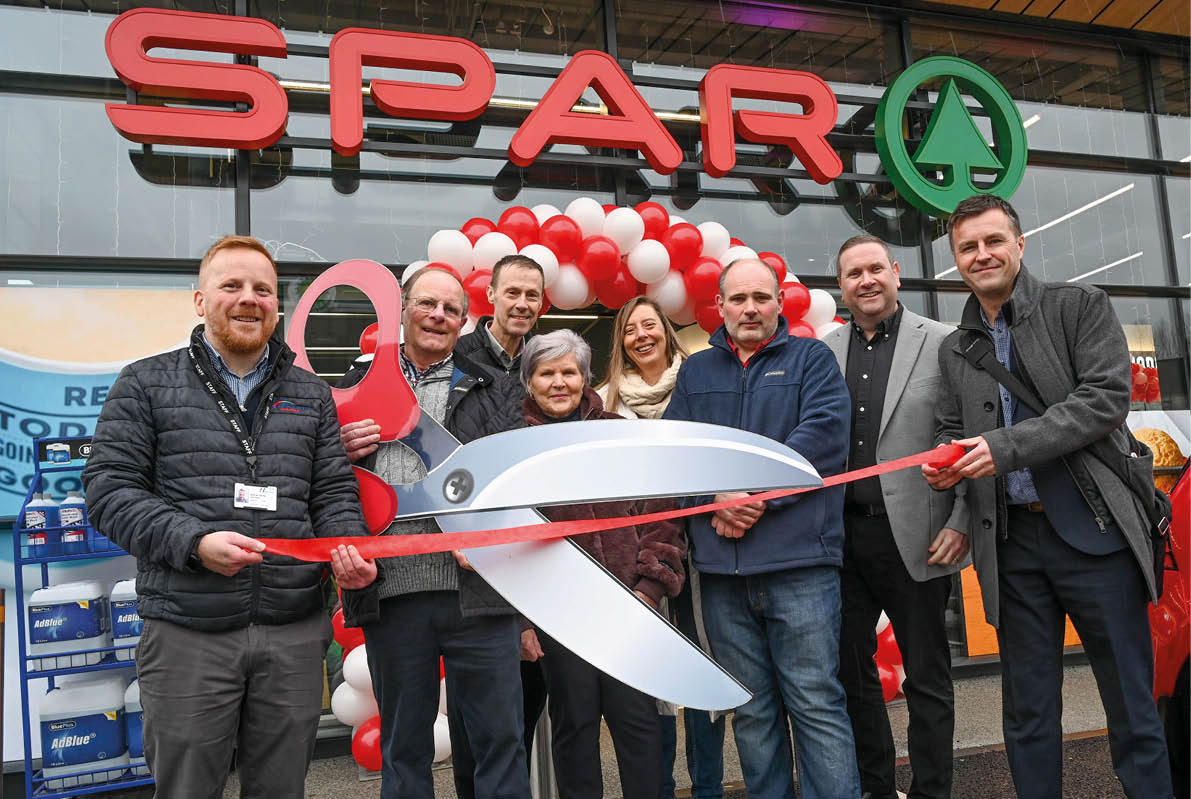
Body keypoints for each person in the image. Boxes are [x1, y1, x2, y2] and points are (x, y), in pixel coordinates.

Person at [82, 235, 378, 799]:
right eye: (232, 285)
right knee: (188, 788)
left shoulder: (311, 394)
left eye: (263, 289)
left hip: (292, 633)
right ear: (200, 300)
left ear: (276, 307)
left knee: (281, 788)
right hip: (189, 630)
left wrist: (349, 551)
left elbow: (332, 492)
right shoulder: (145, 383)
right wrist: (194, 543)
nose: (249, 299)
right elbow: (109, 490)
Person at [923, 194, 1172, 798]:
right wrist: (947, 462)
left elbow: (1104, 400)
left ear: (1019, 244)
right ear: (956, 260)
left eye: (993, 241)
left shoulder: (1079, 306)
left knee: (1131, 704)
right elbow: (951, 427)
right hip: (1010, 546)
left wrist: (1004, 447)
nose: (982, 254)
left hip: (1096, 532)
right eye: (967, 247)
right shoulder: (955, 348)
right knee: (1027, 713)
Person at [663, 258, 860, 799]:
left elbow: (823, 439)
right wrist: (713, 499)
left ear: (779, 303)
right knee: (751, 710)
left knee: (815, 703)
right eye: (738, 298)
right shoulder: (697, 373)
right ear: (719, 306)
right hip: (722, 576)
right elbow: (675, 454)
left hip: (801, 568)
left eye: (761, 297)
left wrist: (753, 499)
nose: (750, 308)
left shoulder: (812, 360)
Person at [336, 264, 530, 799]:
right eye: (427, 303)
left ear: (464, 321)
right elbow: (325, 484)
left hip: (479, 593)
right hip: (389, 593)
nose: (438, 315)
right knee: (404, 748)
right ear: (402, 310)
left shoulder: (494, 386)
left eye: (451, 309)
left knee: (499, 742)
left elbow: (512, 479)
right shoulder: (353, 384)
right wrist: (338, 451)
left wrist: (486, 534)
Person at [823, 235, 968, 799]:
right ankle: (876, 788)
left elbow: (967, 435)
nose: (866, 281)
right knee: (852, 675)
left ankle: (932, 791)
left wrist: (960, 520)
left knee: (927, 677)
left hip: (920, 536)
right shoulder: (824, 350)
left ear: (896, 272)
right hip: (841, 540)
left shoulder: (943, 342)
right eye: (853, 273)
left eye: (874, 269)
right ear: (841, 285)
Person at [520, 329, 686, 799]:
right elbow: (504, 540)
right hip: (558, 615)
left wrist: (649, 587)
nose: (558, 383)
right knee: (573, 726)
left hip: (627, 608)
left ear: (584, 377)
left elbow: (662, 513)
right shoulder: (513, 446)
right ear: (529, 381)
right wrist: (522, 621)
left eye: (568, 372)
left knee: (638, 723)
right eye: (546, 373)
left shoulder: (618, 433)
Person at [597, 297, 726, 799]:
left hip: (704, 549)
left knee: (703, 666)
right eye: (631, 330)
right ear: (621, 342)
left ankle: (709, 787)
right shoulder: (604, 402)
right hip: (641, 558)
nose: (642, 336)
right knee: (656, 678)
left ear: (666, 332)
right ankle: (663, 787)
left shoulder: (700, 385)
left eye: (650, 325)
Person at [454, 253, 545, 377]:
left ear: (541, 302)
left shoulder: (546, 360)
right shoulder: (456, 355)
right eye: (512, 293)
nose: (522, 305)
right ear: (491, 294)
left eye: (532, 295)